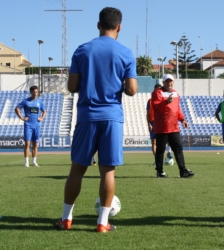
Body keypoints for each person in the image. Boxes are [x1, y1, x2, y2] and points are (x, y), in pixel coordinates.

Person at [56, 7, 138, 233]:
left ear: (98, 25)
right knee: (108, 171)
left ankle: (66, 219)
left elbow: (72, 87)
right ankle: (102, 222)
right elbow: (132, 90)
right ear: (119, 27)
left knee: (77, 169)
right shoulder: (126, 53)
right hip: (112, 117)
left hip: (87, 116)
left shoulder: (82, 50)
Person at [152, 74, 194, 178]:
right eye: (167, 81)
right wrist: (166, 102)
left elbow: (177, 109)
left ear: (173, 82)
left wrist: (182, 119)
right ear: (163, 82)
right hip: (162, 127)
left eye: (171, 81)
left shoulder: (175, 93)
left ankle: (183, 171)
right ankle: (160, 171)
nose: (169, 83)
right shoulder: (157, 93)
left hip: (174, 127)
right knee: (160, 150)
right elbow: (156, 107)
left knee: (178, 148)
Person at [14, 85, 46, 167]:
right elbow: (17, 109)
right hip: (28, 124)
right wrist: (22, 118)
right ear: (31, 92)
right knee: (27, 143)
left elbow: (44, 111)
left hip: (37, 125)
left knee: (35, 144)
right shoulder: (26, 101)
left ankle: (34, 161)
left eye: (36, 92)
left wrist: (42, 118)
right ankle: (26, 162)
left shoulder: (40, 102)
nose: (35, 93)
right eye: (34, 92)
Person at [146, 83, 173, 165]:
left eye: (159, 90)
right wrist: (149, 124)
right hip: (153, 122)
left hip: (162, 121)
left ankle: (169, 153)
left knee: (167, 139)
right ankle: (156, 160)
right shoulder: (150, 101)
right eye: (156, 90)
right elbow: (148, 113)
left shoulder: (165, 100)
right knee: (154, 141)